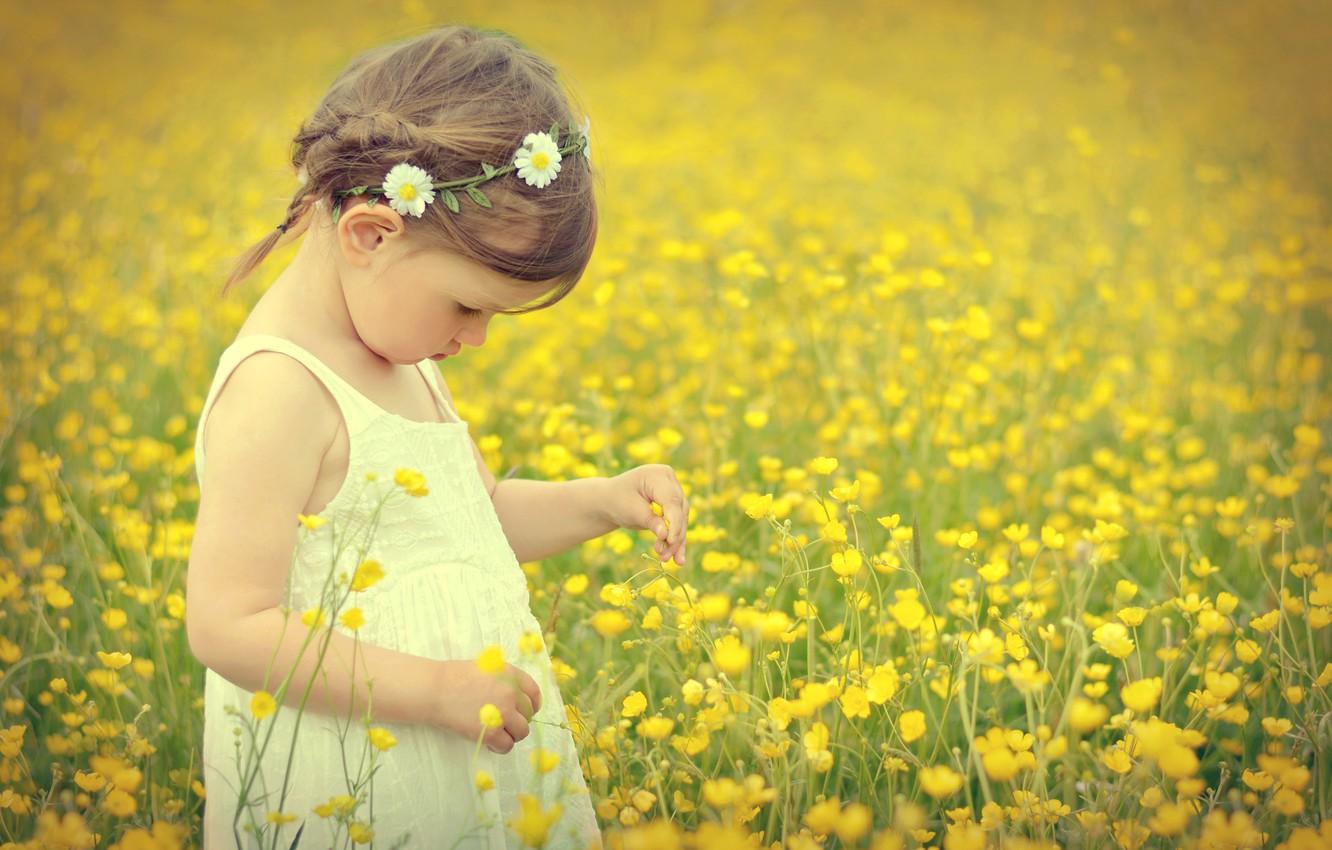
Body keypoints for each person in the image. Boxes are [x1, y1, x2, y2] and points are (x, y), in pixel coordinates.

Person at [185, 24, 688, 850]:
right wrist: (431, 691)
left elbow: (472, 519)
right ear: (373, 235)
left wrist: (604, 501)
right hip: (355, 777)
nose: (478, 338)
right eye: (469, 306)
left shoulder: (397, 347)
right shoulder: (280, 392)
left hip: (462, 740)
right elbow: (227, 623)